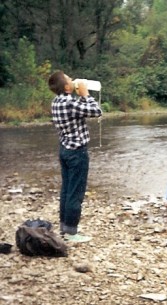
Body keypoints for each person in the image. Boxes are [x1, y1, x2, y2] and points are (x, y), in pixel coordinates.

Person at [48, 71, 102, 243]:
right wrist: (85, 94)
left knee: (66, 190)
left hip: (64, 149)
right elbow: (96, 111)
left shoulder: (57, 101)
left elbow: (77, 112)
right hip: (77, 152)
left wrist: (79, 97)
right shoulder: (70, 103)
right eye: (69, 79)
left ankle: (64, 228)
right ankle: (72, 232)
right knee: (75, 192)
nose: (73, 79)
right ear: (66, 86)